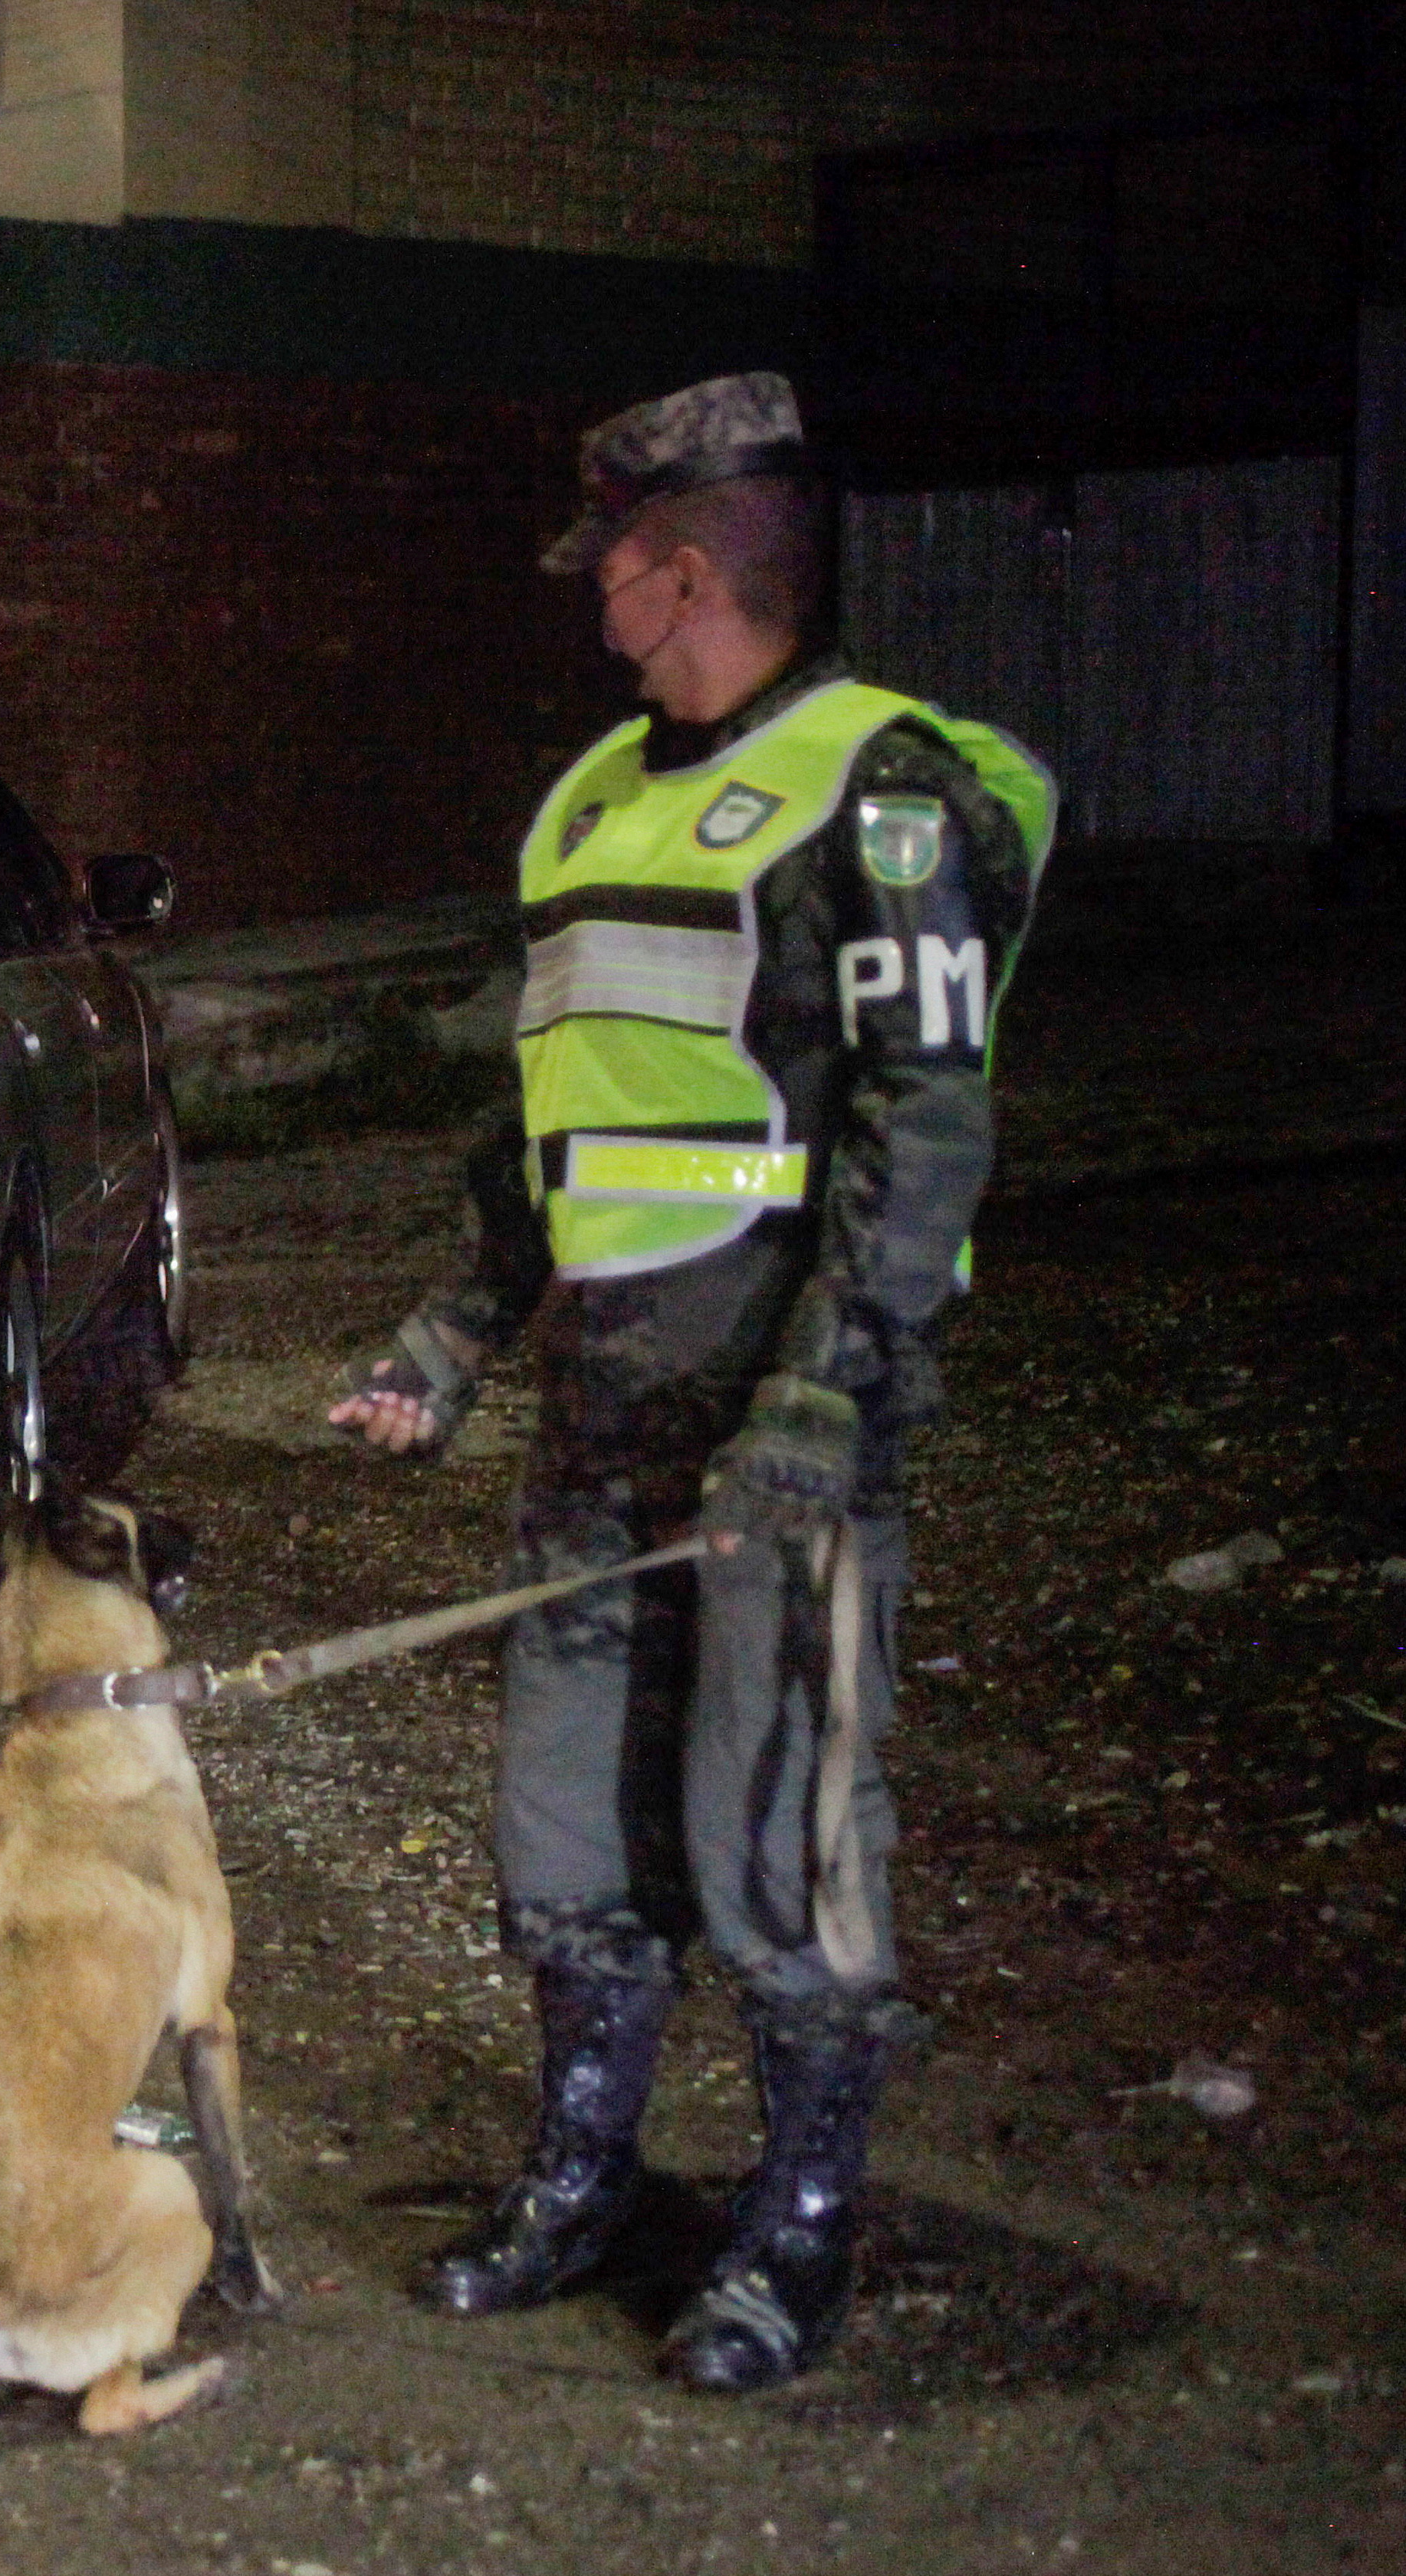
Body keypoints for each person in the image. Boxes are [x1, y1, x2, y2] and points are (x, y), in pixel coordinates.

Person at [328, 373, 1055, 2392]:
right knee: (569, 1844)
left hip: (774, 1446)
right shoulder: (587, 802)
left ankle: (796, 2229)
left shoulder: (879, 790)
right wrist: (455, 1335)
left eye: (615, 573)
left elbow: (926, 1131)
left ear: (681, 573)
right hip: (597, 1439)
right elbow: (551, 1127)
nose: (595, 607)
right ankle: (584, 2176)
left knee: (782, 1854)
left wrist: (824, 1403)